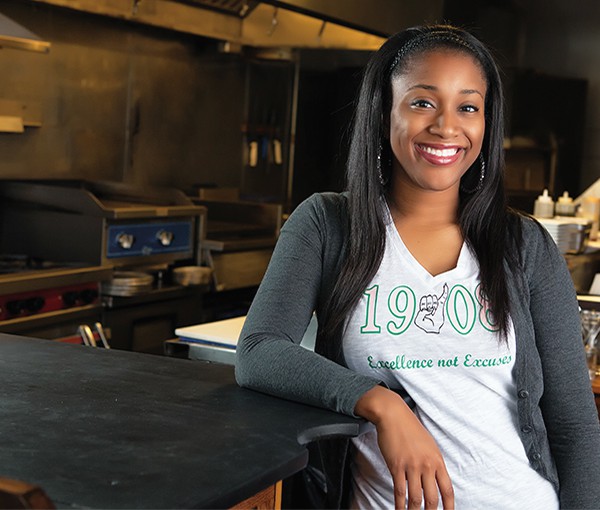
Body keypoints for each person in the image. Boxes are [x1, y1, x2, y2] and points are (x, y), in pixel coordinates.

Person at [235, 24, 600, 509]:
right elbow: (259, 350)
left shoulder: (523, 244)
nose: (447, 127)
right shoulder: (326, 224)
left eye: (468, 107)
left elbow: (575, 426)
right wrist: (380, 403)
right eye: (423, 102)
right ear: (383, 112)